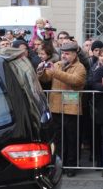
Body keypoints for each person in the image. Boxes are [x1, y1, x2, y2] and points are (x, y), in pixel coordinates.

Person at [37, 42, 87, 177]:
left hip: (71, 108)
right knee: (58, 138)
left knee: (72, 138)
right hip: (55, 106)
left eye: (67, 54)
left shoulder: (79, 67)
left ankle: (72, 165)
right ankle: (60, 164)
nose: (64, 56)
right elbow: (46, 77)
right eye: (63, 53)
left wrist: (56, 73)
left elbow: (76, 81)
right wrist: (41, 71)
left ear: (74, 54)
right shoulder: (58, 64)